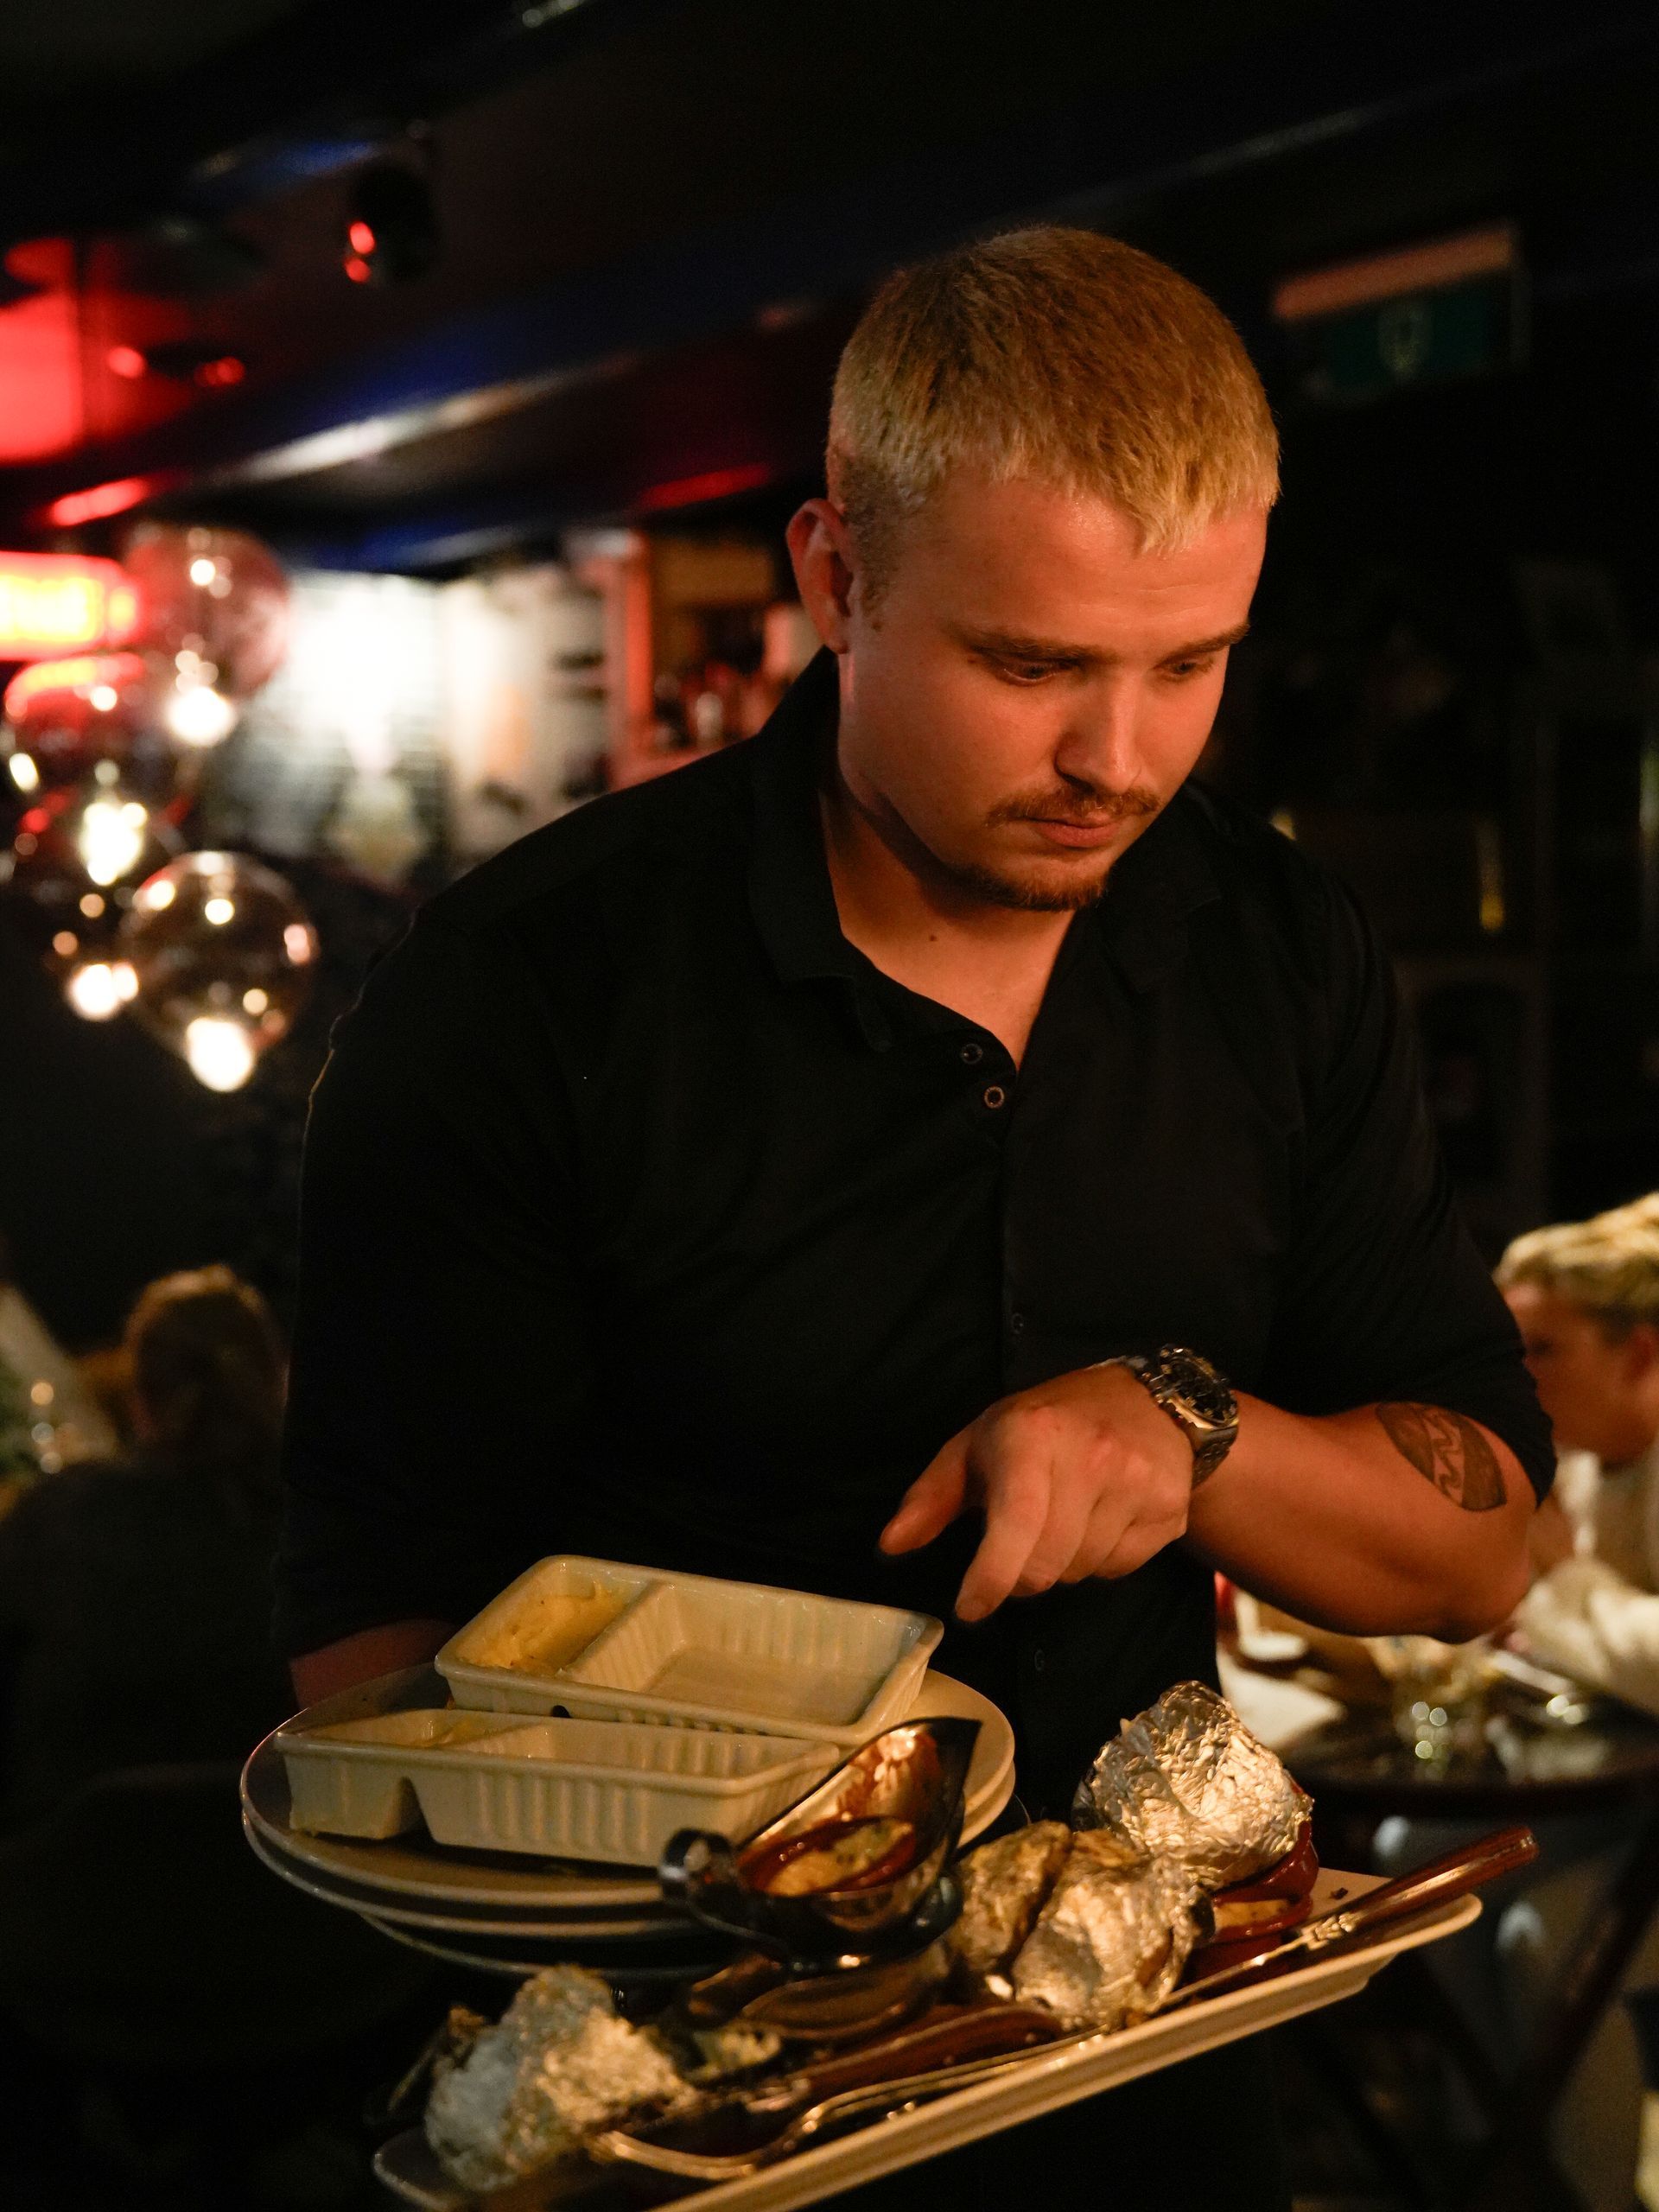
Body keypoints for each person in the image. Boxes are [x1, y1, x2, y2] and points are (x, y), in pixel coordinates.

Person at [276, 228, 1552, 2209]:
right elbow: (366, 1653)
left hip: (1146, 2074)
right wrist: (620, 2007)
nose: (1116, 759)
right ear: (833, 578)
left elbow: (1482, 1552)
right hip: (684, 2102)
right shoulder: (528, 990)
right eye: (1030, 663)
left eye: (1188, 663)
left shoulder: (1274, 948)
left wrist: (1185, 1424)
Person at [0, 1265, 292, 1830]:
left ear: (140, 1401)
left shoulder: (62, 1519)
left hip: (66, 1880)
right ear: (275, 1378)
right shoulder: (321, 1526)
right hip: (285, 1872)